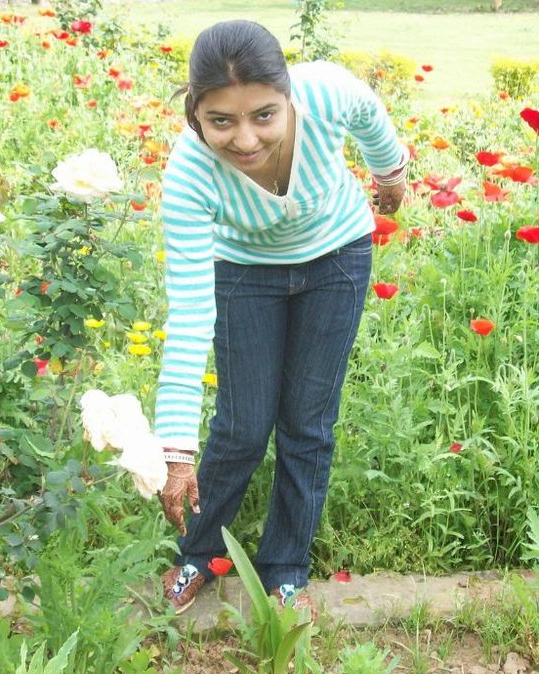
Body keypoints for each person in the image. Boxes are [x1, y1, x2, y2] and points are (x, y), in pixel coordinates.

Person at [154, 20, 409, 615]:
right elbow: (189, 317)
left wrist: (390, 174)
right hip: (244, 271)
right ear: (196, 113)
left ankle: (285, 563)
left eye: (264, 115)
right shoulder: (190, 175)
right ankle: (199, 554)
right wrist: (175, 453)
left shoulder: (326, 93)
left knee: (308, 423)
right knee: (241, 426)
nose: (245, 140)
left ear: (290, 95)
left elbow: (371, 115)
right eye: (221, 121)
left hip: (337, 259)